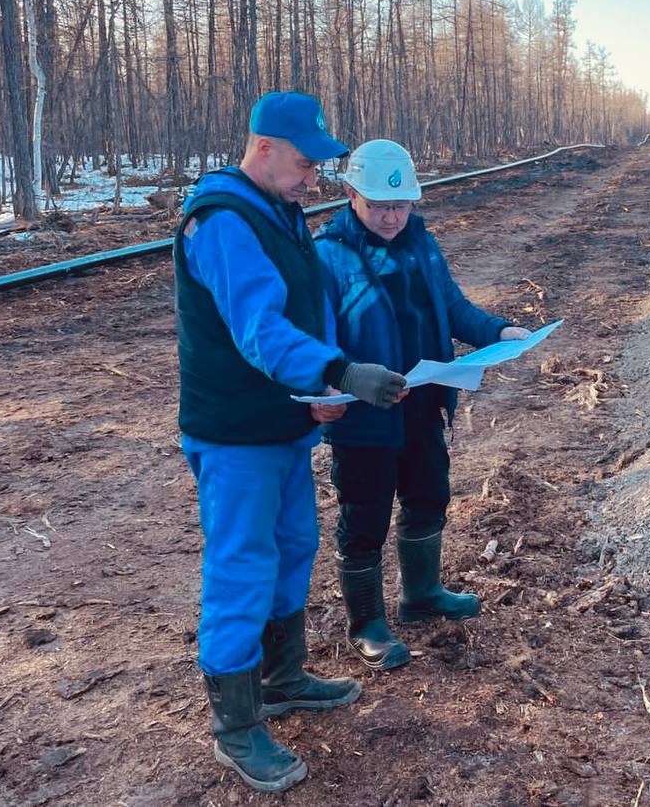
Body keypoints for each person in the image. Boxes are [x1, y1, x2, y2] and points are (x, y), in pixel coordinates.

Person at [175, 92, 409, 792]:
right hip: (235, 433)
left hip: (285, 422)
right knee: (242, 565)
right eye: (307, 162)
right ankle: (236, 725)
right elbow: (260, 328)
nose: (315, 178)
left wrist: (321, 395)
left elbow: (310, 308)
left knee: (294, 546)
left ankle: (281, 677)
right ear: (264, 146)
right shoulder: (221, 220)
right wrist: (337, 371)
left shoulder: (281, 209)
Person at [315, 139, 529, 670]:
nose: (391, 216)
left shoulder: (422, 243)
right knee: (364, 516)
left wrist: (498, 330)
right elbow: (314, 338)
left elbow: (452, 307)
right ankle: (366, 623)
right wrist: (329, 385)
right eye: (380, 206)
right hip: (365, 417)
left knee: (429, 495)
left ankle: (421, 594)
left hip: (424, 400)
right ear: (350, 195)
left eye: (401, 204)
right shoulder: (328, 255)